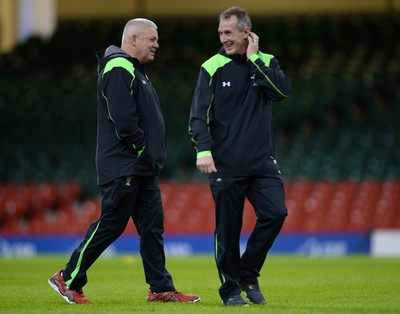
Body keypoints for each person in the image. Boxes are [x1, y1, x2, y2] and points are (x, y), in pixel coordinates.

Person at [48, 18, 200, 304]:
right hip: (125, 164)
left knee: (152, 228)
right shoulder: (119, 67)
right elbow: (123, 119)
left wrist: (149, 157)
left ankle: (159, 288)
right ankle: (67, 278)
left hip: (141, 167)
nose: (157, 44)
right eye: (152, 39)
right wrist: (142, 149)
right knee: (112, 224)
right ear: (133, 39)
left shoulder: (134, 70)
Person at [188, 7, 291, 306]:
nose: (223, 39)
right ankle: (230, 289)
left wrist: (255, 59)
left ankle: (248, 272)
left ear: (247, 33)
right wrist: (203, 150)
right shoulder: (211, 66)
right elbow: (198, 116)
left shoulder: (267, 62)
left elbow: (280, 92)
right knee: (228, 230)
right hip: (225, 164)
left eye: (228, 33)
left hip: (262, 163)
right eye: (220, 33)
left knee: (276, 213)